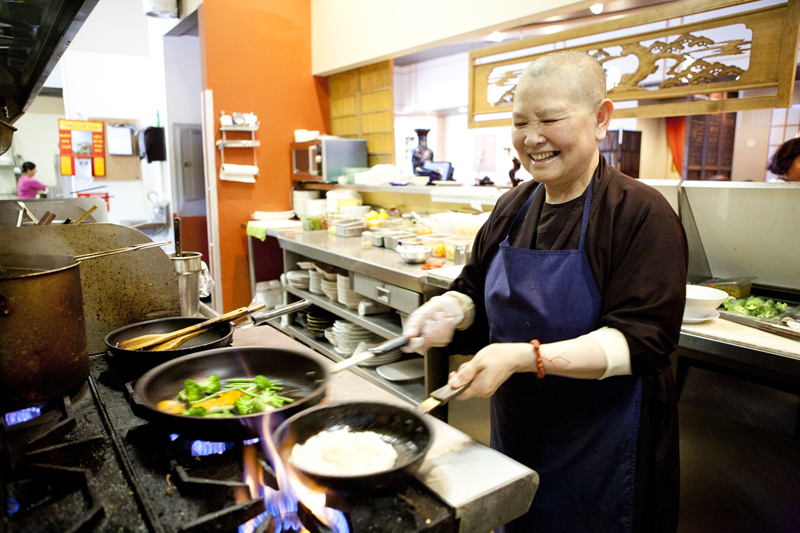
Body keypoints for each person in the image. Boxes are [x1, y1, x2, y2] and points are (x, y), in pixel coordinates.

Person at [402, 50, 687, 533]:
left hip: (606, 446)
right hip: (521, 433)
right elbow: (475, 288)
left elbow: (642, 340)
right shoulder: (513, 206)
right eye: (519, 123)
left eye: (550, 119)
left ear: (601, 119)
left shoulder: (640, 213)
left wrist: (522, 358)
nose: (532, 138)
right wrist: (450, 308)